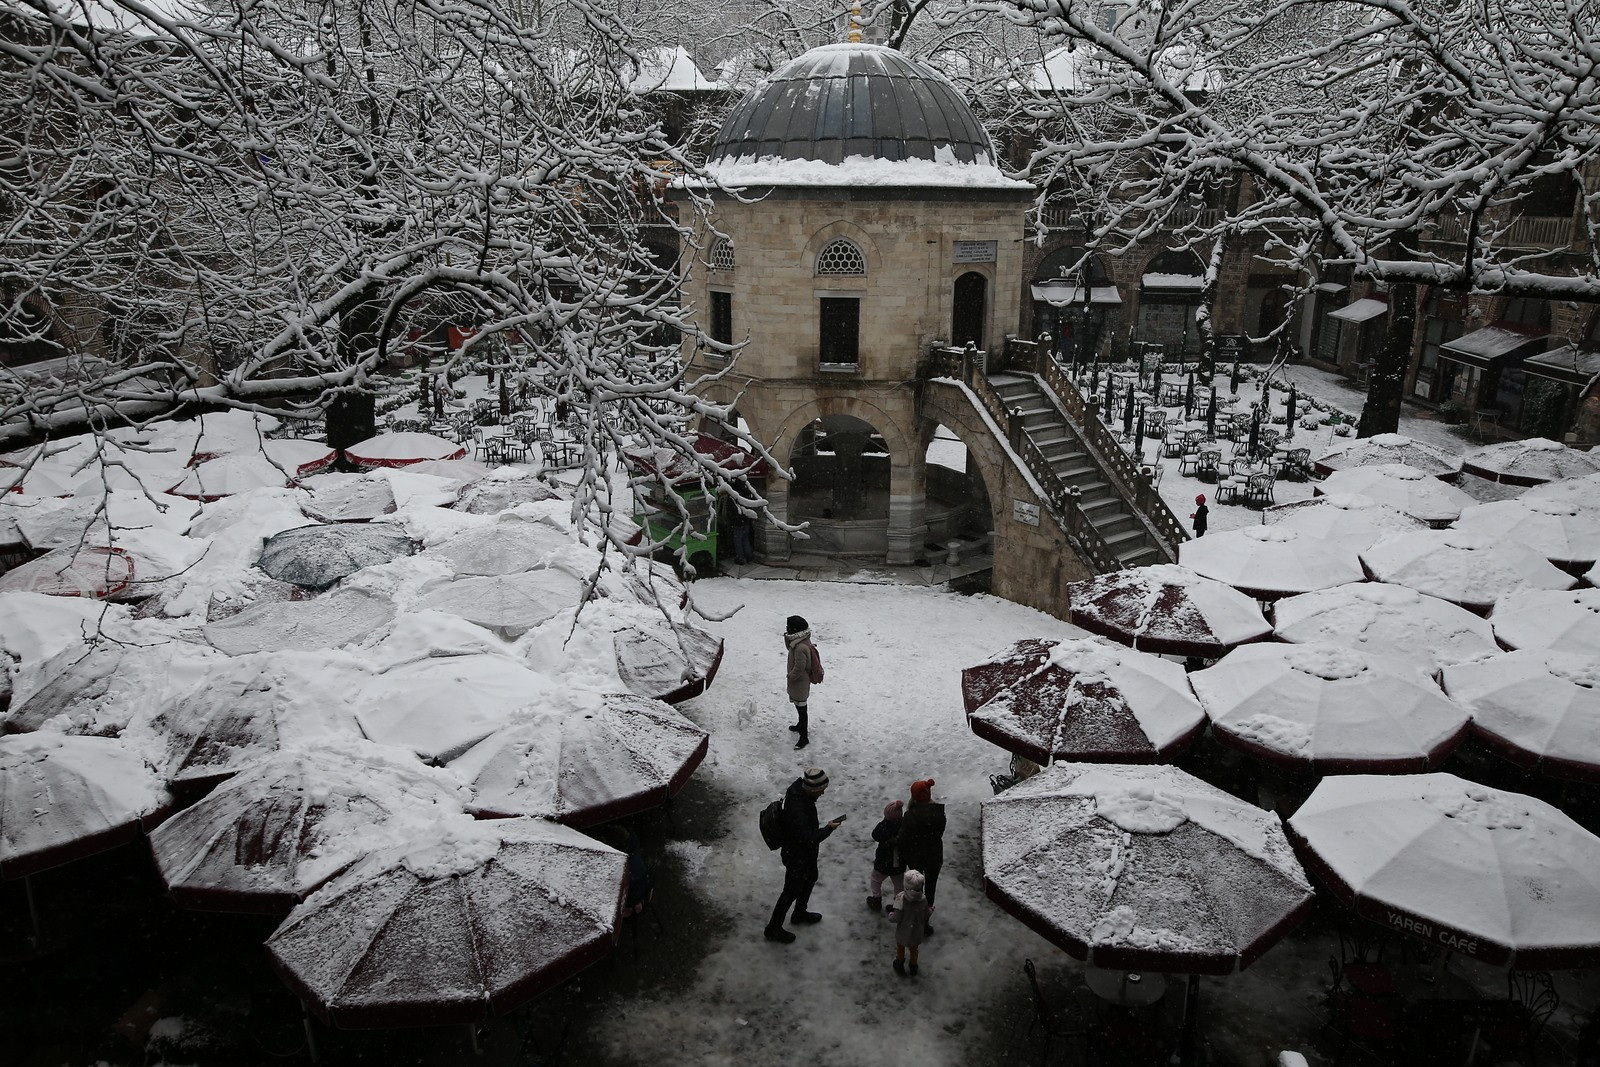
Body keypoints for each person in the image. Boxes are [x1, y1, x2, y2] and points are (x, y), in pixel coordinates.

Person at [764, 767, 844, 944]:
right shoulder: (798, 808)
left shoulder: (801, 793)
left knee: (810, 878)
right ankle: (773, 928)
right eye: (821, 790)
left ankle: (799, 912)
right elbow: (808, 838)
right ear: (812, 789)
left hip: (803, 854)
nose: (823, 793)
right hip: (797, 855)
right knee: (790, 890)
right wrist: (828, 829)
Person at [896, 778, 945, 936]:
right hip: (934, 857)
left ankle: (911, 916)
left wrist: (889, 842)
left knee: (915, 888)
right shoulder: (939, 813)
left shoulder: (911, 815)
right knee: (930, 888)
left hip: (916, 857)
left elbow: (902, 838)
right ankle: (925, 919)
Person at [890, 868, 931, 977]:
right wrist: (931, 910)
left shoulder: (901, 899)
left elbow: (897, 917)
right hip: (916, 932)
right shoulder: (923, 900)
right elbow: (926, 915)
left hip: (903, 931)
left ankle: (899, 962)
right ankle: (913, 965)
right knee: (914, 949)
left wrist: (891, 916)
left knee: (900, 947)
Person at [784, 614, 817, 749]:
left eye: (788, 628)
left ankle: (804, 737)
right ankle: (799, 726)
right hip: (798, 683)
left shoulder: (800, 648)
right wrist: (787, 637)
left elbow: (799, 667)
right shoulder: (798, 642)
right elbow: (789, 647)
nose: (786, 629)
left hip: (799, 683)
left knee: (802, 709)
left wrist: (790, 676)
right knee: (799, 706)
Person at [866, 800, 905, 912]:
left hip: (883, 862)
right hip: (899, 863)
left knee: (876, 879)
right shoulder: (903, 827)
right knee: (898, 885)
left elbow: (875, 835)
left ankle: (876, 899)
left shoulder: (883, 827)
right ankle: (898, 906)